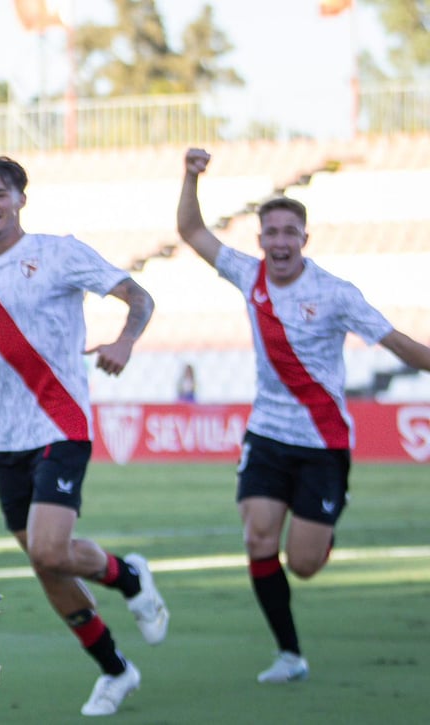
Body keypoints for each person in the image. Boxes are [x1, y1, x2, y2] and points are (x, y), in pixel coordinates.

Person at [0, 155, 169, 717]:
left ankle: (127, 574)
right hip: (6, 439)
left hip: (61, 424)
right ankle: (116, 670)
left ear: (21, 197)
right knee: (49, 565)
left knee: (49, 549)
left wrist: (124, 341)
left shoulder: (59, 252)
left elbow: (139, 298)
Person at [177, 147, 430, 684]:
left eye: (290, 232)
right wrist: (190, 177)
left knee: (305, 564)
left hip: (323, 442)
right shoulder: (248, 276)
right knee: (258, 537)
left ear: (305, 240)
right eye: (271, 232)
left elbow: (397, 342)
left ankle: (326, 522)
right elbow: (192, 230)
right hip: (267, 434)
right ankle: (289, 654)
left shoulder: (335, 294)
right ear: (261, 239)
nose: (281, 242)